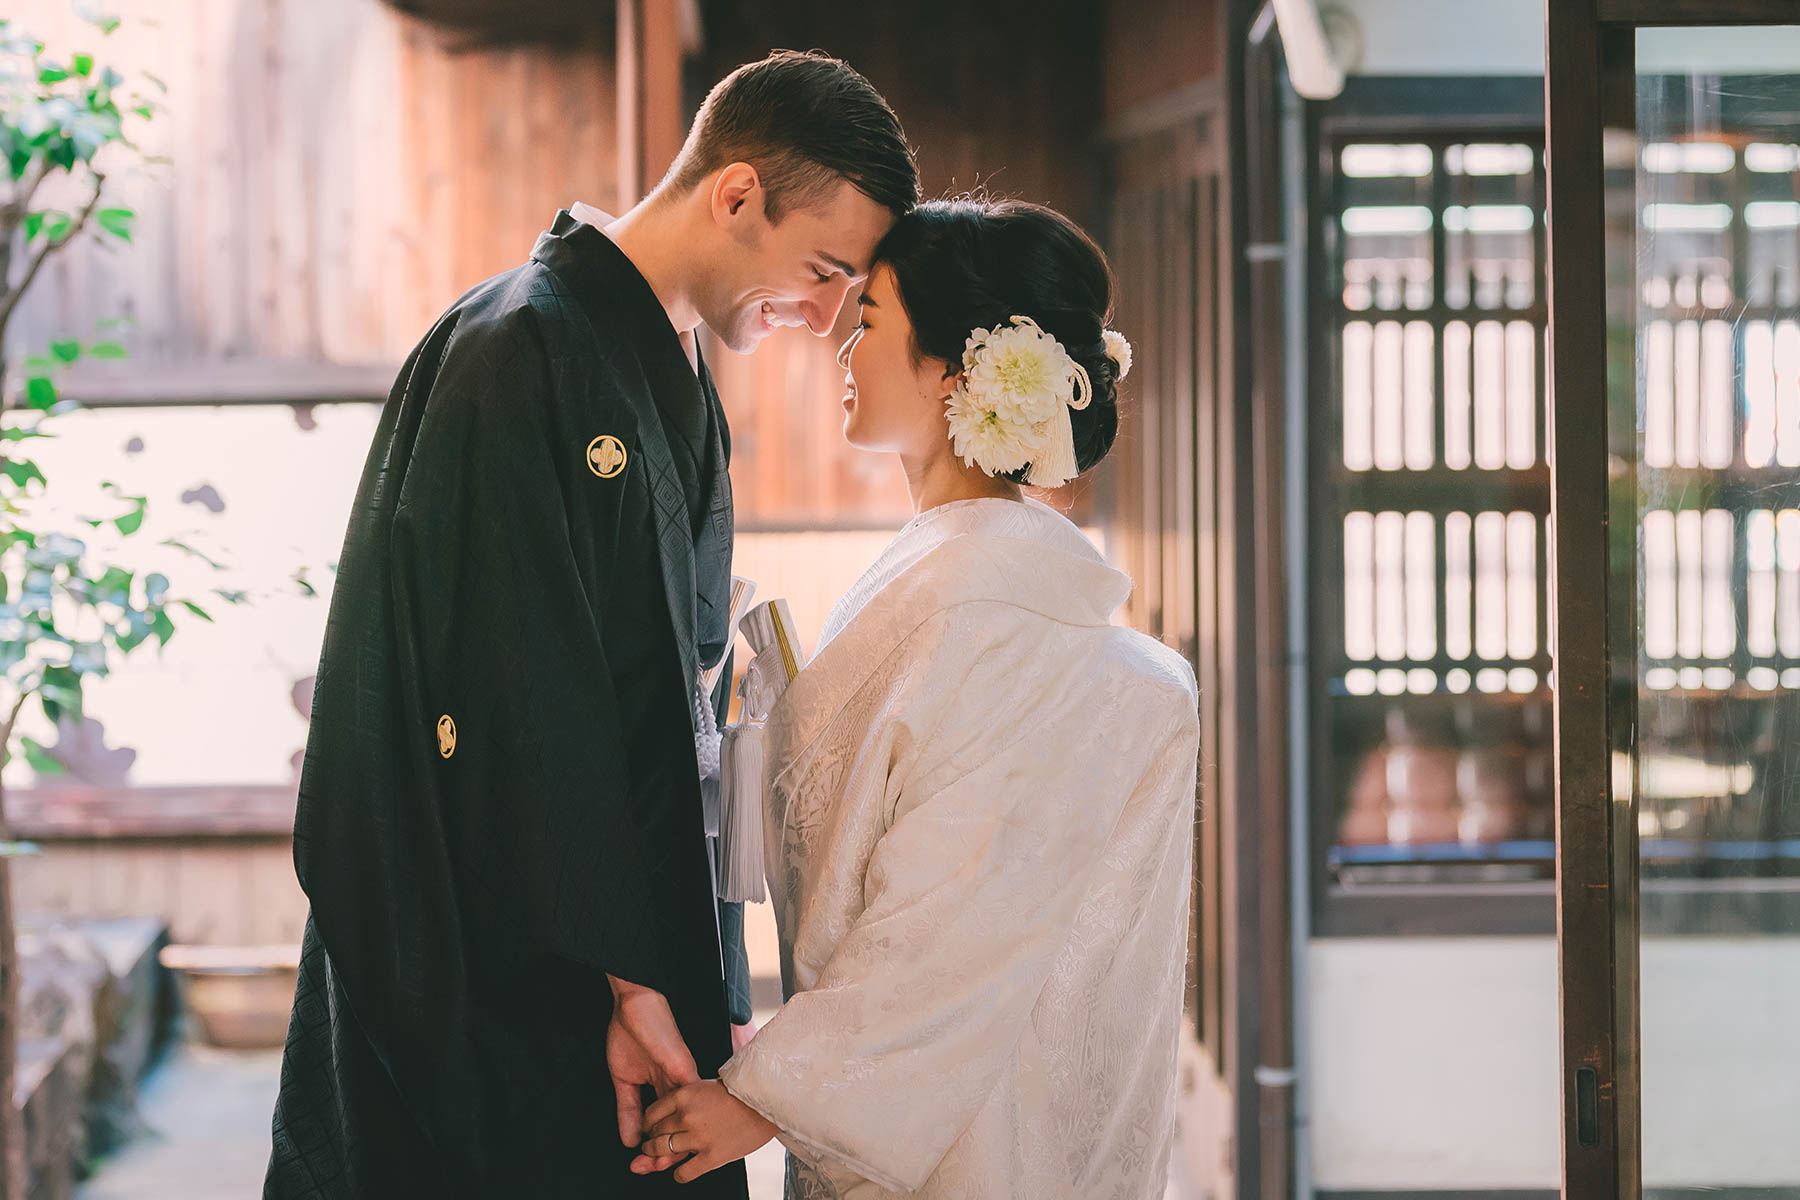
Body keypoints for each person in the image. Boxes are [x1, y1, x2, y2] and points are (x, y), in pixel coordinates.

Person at [264, 51, 917, 1199]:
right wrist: (621, 975)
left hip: (641, 924)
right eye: (823, 272)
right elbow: (511, 689)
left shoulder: (670, 363)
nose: (826, 319)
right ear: (735, 195)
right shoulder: (513, 348)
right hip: (521, 954)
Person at [631, 198, 1201, 1198]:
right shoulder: (955, 592)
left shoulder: (1004, 629)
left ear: (957, 370)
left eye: (873, 318)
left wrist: (763, 1100)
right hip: (919, 1122)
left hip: (982, 1142)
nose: (844, 346)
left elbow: (955, 921)